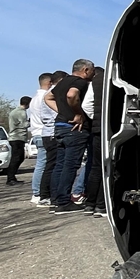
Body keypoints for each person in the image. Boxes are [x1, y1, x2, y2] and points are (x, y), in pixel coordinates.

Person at [46, 59, 94, 216]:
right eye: (92, 71)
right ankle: (64, 202)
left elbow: (47, 98)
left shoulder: (62, 82)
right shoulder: (80, 82)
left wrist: (62, 111)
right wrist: (77, 113)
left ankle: (55, 200)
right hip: (74, 129)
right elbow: (72, 95)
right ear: (85, 70)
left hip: (59, 127)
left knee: (59, 165)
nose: (93, 75)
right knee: (70, 165)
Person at [81, 66, 107, 217]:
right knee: (110, 167)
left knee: (95, 167)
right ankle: (101, 205)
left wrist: (95, 118)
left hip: (97, 130)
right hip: (111, 129)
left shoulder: (95, 81)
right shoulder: (113, 78)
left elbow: (86, 105)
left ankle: (89, 204)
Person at [28, 73, 57, 205]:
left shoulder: (34, 98)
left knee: (42, 164)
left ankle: (37, 192)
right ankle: (38, 193)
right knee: (44, 164)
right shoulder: (44, 98)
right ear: (49, 82)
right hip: (43, 132)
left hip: (36, 132)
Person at [5, 96, 31, 185]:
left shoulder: (14, 111)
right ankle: (10, 178)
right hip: (18, 137)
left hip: (14, 137)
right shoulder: (22, 113)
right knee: (17, 158)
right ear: (28, 103)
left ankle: (12, 177)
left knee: (19, 157)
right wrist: (31, 122)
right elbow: (24, 125)